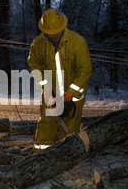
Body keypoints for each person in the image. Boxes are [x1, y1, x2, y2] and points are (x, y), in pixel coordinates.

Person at [28, 9, 92, 151]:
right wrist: (46, 88)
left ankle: (67, 157)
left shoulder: (78, 42)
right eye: (51, 32)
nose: (55, 35)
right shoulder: (38, 44)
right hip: (51, 94)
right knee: (46, 125)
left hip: (73, 96)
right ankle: (39, 156)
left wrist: (70, 93)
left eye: (57, 31)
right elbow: (35, 66)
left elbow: (85, 70)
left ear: (63, 26)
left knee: (69, 129)